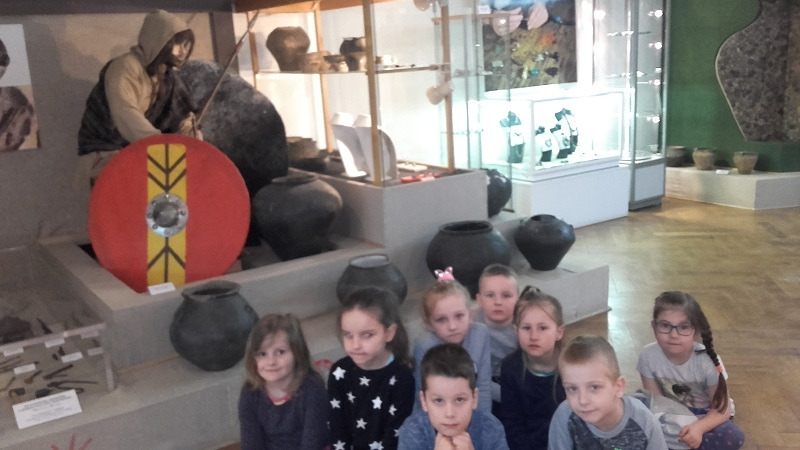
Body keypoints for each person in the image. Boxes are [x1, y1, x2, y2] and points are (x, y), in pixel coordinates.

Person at [76, 9, 201, 186]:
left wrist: (192, 140)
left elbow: (183, 117)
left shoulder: (167, 76)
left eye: (185, 46)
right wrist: (160, 144)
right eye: (177, 44)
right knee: (126, 198)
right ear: (159, 40)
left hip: (143, 153)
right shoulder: (125, 67)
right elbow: (125, 113)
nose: (182, 51)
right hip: (106, 152)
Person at [637, 291, 745, 450]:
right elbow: (657, 403)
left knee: (732, 435)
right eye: (665, 326)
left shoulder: (707, 362)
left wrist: (698, 429)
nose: (674, 335)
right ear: (654, 327)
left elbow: (722, 410)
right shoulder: (647, 356)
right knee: (632, 408)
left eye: (684, 327)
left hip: (707, 418)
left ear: (695, 331)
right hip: (671, 415)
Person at [328, 287, 415, 450]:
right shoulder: (339, 372)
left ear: (389, 333)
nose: (355, 345)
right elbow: (337, 429)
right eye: (348, 335)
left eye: (367, 335)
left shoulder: (401, 378)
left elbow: (394, 436)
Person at [548, 335, 668, 450]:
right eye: (572, 388)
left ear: (618, 387)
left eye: (594, 387)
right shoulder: (564, 416)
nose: (582, 400)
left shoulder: (644, 421)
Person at [238, 313, 329, 450]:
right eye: (262, 354)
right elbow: (251, 444)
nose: (271, 362)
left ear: (297, 353)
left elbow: (312, 444)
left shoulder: (313, 390)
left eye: (280, 352)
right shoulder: (250, 393)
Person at [398, 343, 509, 450]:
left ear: (474, 398)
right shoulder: (412, 431)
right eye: (438, 400)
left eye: (459, 399)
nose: (450, 413)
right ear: (424, 401)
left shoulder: (491, 428)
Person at [413, 268, 492, 412]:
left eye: (459, 316)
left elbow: (484, 384)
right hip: (440, 411)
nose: (452, 326)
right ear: (429, 324)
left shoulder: (480, 334)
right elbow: (422, 394)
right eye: (441, 319)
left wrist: (483, 420)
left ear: (470, 315)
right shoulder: (424, 345)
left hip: (472, 404)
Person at [500, 286, 565, 450]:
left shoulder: (572, 367)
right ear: (516, 331)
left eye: (542, 328)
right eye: (526, 328)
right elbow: (513, 423)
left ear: (559, 332)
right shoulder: (510, 368)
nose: (534, 336)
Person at [474, 263, 519, 414]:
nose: (498, 302)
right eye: (490, 295)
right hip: (484, 380)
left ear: (518, 299)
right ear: (479, 299)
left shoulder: (524, 324)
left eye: (506, 295)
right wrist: (508, 397)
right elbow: (475, 376)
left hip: (516, 376)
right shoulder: (471, 325)